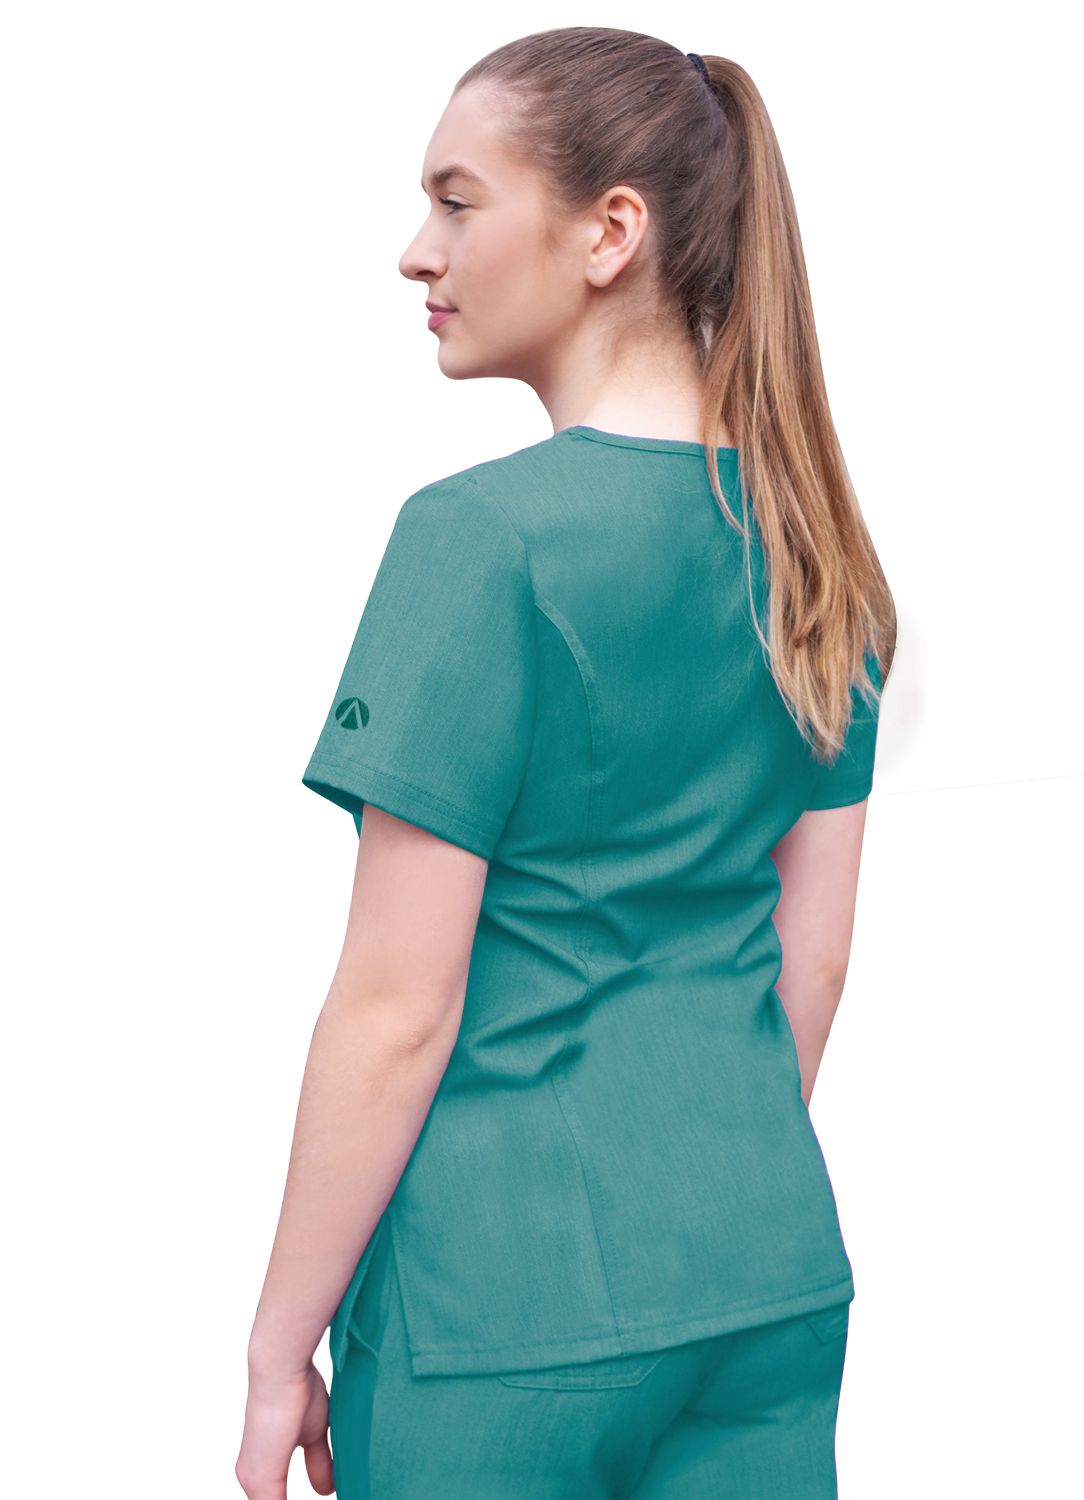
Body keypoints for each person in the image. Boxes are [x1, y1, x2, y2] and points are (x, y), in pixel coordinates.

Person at [236, 26, 896, 1500]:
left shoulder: (478, 544)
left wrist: (280, 1345)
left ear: (611, 233)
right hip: (764, 1273)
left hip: (496, 1310)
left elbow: (398, 1008)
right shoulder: (821, 561)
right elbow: (815, 957)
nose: (418, 251)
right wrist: (695, 1209)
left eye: (456, 200)